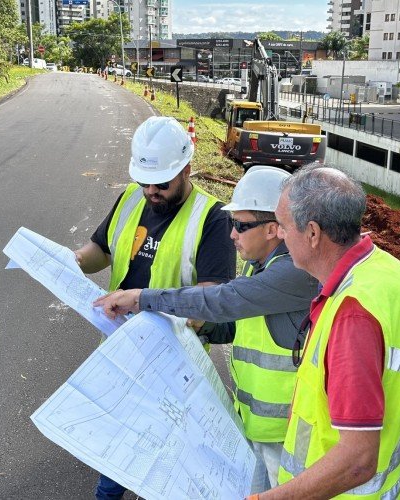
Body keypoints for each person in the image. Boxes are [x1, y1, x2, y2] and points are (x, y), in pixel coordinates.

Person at [94, 166, 319, 493]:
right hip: (259, 428)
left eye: (240, 225)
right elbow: (240, 327)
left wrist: (142, 298)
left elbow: (222, 299)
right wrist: (198, 329)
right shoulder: (260, 264)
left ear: (274, 229)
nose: (232, 234)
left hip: (288, 436)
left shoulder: (293, 272)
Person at [75, 116, 236, 500]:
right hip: (121, 349)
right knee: (122, 444)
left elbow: (211, 301)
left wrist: (150, 307)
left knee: (156, 456)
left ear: (186, 169)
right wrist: (72, 261)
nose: (151, 191)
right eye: (145, 181)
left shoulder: (212, 219)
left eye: (162, 183)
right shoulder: (132, 197)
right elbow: (102, 251)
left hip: (172, 364)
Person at [257, 164, 400, 499]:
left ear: (312, 233)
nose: (278, 235)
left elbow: (357, 460)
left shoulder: (353, 314)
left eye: (282, 226)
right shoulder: (387, 270)